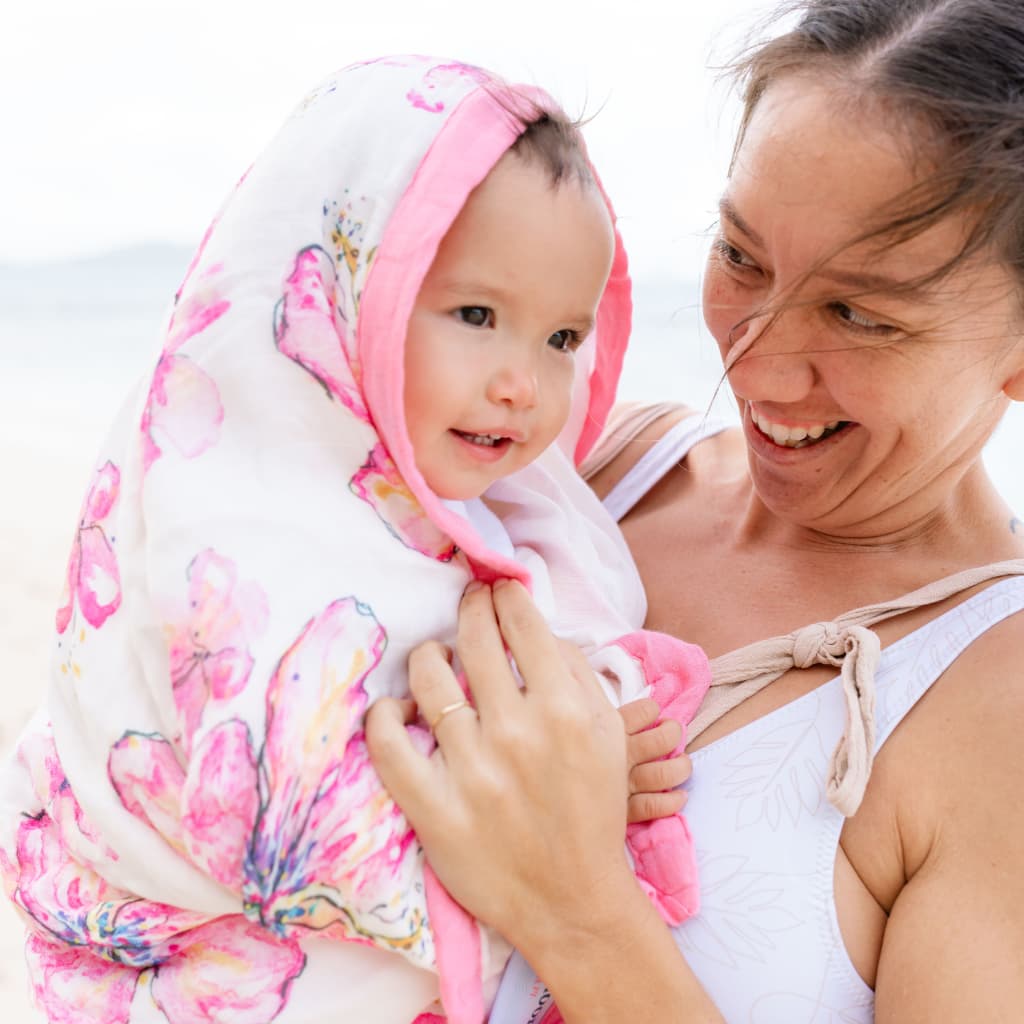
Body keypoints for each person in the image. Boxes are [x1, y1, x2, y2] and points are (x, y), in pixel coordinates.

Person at [0, 57, 709, 1024]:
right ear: (348, 293)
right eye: (476, 315)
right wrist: (576, 795)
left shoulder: (472, 497)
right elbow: (278, 803)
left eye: (561, 339)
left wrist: (598, 707)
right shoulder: (238, 511)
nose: (524, 385)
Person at [366, 2, 1024, 1020]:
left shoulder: (995, 710)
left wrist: (576, 910)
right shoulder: (580, 471)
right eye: (742, 257)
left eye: (858, 314)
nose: (754, 363)